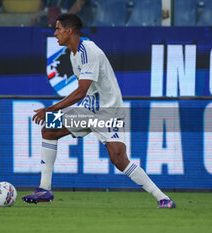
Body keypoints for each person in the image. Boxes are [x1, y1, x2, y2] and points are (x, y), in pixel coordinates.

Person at [22, 13, 176, 208]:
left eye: (58, 29)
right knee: (49, 129)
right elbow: (84, 93)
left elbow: (80, 92)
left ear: (69, 31)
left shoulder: (89, 52)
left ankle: (163, 198)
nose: (55, 33)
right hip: (88, 111)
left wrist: (51, 108)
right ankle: (44, 189)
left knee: (119, 159)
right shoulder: (73, 54)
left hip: (108, 112)